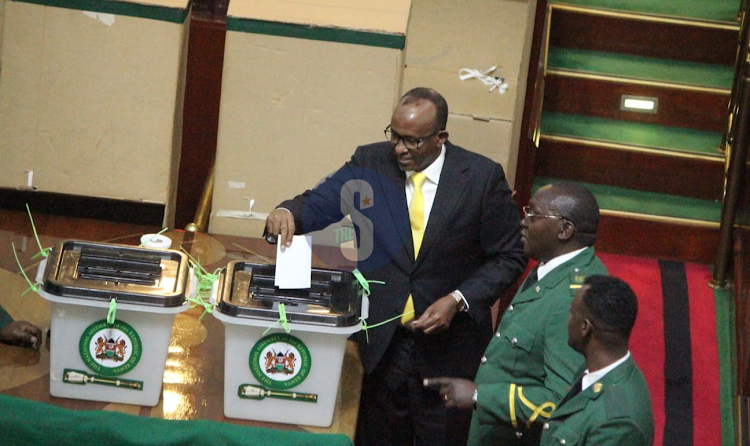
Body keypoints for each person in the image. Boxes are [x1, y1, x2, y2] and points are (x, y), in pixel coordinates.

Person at [264, 87, 525, 445]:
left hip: (448, 349)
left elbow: (510, 255)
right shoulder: (370, 162)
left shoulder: (480, 178)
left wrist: (459, 298)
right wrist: (287, 212)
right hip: (383, 344)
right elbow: (320, 201)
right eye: (395, 136)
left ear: (440, 138)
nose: (400, 148)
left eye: (412, 141)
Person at [425, 181, 607, 445]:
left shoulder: (573, 299)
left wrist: (480, 396)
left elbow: (561, 401)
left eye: (532, 215)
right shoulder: (553, 266)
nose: (523, 222)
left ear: (565, 229)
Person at [540, 275, 654, 445]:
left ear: (584, 327)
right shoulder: (598, 368)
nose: (567, 321)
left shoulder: (617, 426)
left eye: (572, 314)